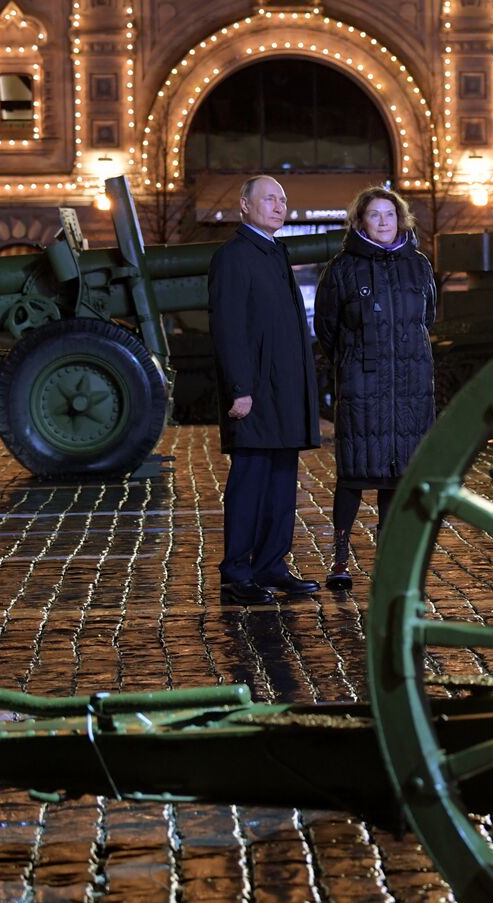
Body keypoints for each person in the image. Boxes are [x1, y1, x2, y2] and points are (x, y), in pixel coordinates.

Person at [314, 186, 436, 589]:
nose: (383, 222)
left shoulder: (418, 266)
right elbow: (327, 328)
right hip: (362, 385)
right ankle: (340, 558)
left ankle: (388, 556)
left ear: (400, 220)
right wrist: (354, 363)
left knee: (397, 476)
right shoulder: (342, 268)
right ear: (360, 221)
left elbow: (427, 318)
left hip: (410, 386)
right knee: (353, 474)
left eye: (389, 214)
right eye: (374, 215)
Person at [209, 174, 322, 605]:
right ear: (244, 205)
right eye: (269, 199)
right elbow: (229, 328)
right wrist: (239, 388)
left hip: (284, 394)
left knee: (279, 483)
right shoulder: (235, 257)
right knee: (250, 484)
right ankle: (236, 573)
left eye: (283, 200)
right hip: (253, 394)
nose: (279, 206)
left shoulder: (274, 252)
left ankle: (271, 564)